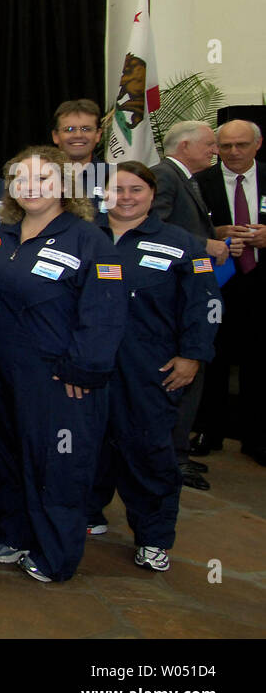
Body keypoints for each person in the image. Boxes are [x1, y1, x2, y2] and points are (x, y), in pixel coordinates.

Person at [0, 146, 127, 583]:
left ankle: (55, 553)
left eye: (43, 178)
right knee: (8, 458)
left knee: (57, 465)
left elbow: (104, 313)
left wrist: (83, 370)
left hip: (59, 378)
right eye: (21, 179)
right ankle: (14, 532)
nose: (30, 187)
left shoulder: (90, 239)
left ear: (65, 185)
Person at [86, 162, 219, 571]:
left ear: (151, 194)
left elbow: (205, 305)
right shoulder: (84, 236)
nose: (125, 198)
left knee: (148, 451)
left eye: (135, 190)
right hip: (87, 363)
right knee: (86, 445)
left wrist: (193, 355)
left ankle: (154, 536)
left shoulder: (182, 244)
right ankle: (88, 512)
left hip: (150, 366)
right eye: (117, 189)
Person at [151, 120, 223, 489]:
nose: (216, 150)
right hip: (171, 295)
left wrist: (217, 236)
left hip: (192, 293)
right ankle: (172, 461)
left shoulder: (186, 178)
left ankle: (177, 456)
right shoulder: (163, 175)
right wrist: (203, 244)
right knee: (178, 381)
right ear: (184, 147)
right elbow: (154, 224)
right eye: (210, 144)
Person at [192, 120, 266, 466]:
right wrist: (217, 232)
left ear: (258, 144)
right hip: (217, 282)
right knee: (214, 357)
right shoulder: (199, 182)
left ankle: (257, 436)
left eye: (241, 145)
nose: (233, 152)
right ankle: (209, 430)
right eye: (225, 146)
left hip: (260, 281)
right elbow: (188, 230)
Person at [50, 99, 108, 217]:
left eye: (86, 129)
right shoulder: (37, 178)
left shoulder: (115, 177)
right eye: (69, 129)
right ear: (55, 136)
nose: (78, 135)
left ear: (98, 135)